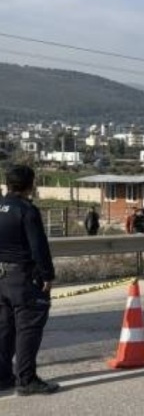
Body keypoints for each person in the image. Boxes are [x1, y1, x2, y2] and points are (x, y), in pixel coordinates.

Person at [0, 165, 59, 395]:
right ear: (30, 184)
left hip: (2, 278)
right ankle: (26, 379)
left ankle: (3, 376)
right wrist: (47, 275)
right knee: (28, 327)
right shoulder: (26, 210)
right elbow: (38, 246)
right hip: (22, 277)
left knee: (5, 327)